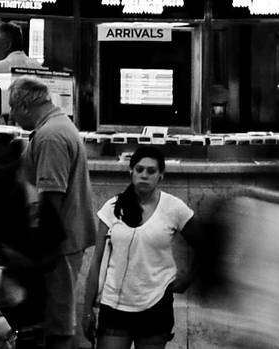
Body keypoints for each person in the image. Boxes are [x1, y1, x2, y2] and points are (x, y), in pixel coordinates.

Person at [82, 146, 199, 349]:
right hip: (114, 305)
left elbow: (204, 245)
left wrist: (187, 279)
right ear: (131, 172)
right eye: (139, 169)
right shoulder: (112, 208)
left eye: (151, 171)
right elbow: (97, 262)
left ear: (160, 175)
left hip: (155, 305)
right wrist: (87, 308)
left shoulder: (174, 208)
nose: (144, 175)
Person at [10, 75, 95, 349]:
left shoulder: (50, 136)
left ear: (24, 106)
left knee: (56, 326)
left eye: (12, 108)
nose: (10, 115)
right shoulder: (59, 126)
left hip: (57, 248)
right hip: (62, 244)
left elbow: (51, 200)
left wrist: (38, 253)